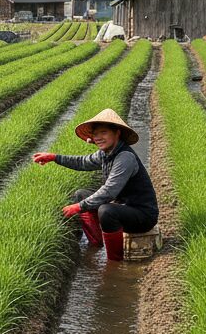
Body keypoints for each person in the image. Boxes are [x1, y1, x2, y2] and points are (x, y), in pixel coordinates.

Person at [32, 108, 158, 261]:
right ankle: (97, 243)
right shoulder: (105, 154)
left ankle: (114, 260)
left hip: (142, 215)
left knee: (106, 211)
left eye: (103, 132)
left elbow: (109, 191)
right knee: (81, 195)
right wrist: (54, 157)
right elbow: (82, 162)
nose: (98, 137)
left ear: (117, 133)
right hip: (123, 207)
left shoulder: (125, 157)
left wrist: (78, 207)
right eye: (95, 134)